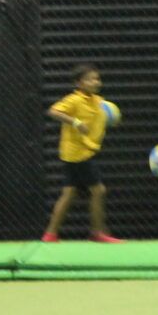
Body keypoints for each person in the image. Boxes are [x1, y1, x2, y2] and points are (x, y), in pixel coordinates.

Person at [41, 63, 123, 243]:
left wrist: (113, 119)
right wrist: (75, 122)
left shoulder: (97, 101)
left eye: (97, 78)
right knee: (98, 190)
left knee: (69, 193)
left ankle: (50, 234)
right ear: (78, 83)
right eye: (90, 79)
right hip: (79, 154)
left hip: (77, 154)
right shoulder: (74, 100)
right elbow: (53, 111)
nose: (95, 82)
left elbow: (105, 116)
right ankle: (97, 232)